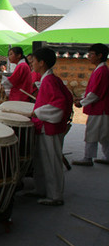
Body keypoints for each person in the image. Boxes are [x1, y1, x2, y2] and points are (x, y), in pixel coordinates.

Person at [29, 48, 73, 206]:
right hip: (46, 126)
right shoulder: (50, 79)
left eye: (34, 61)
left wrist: (38, 112)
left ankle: (55, 196)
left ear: (42, 63)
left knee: (51, 162)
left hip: (50, 128)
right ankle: (41, 189)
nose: (32, 64)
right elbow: (67, 97)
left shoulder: (50, 80)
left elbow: (59, 105)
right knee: (41, 161)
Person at [72, 43, 109, 166]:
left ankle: (88, 158)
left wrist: (81, 102)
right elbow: (92, 90)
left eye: (92, 54)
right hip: (100, 108)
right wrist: (82, 97)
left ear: (99, 55)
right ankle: (106, 156)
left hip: (100, 108)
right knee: (104, 134)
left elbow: (95, 94)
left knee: (93, 133)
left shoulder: (102, 71)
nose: (89, 56)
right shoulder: (100, 69)